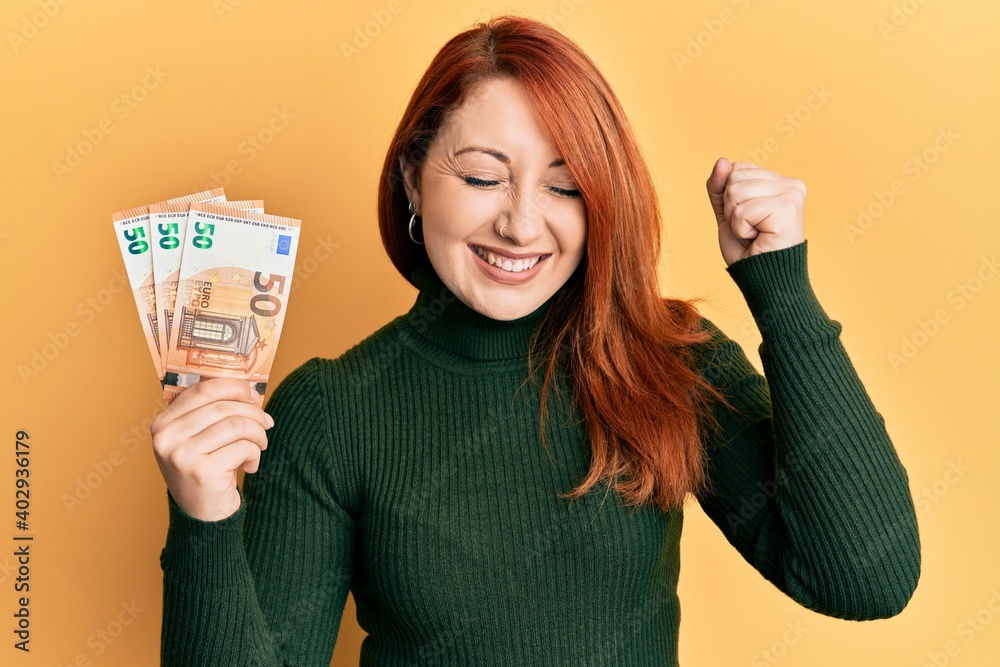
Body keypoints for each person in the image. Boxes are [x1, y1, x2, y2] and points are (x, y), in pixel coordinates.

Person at [151, 14, 920, 666]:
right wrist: (205, 520)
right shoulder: (333, 409)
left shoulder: (667, 358)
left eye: (563, 184)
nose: (522, 222)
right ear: (414, 178)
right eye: (484, 176)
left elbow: (867, 578)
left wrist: (781, 290)